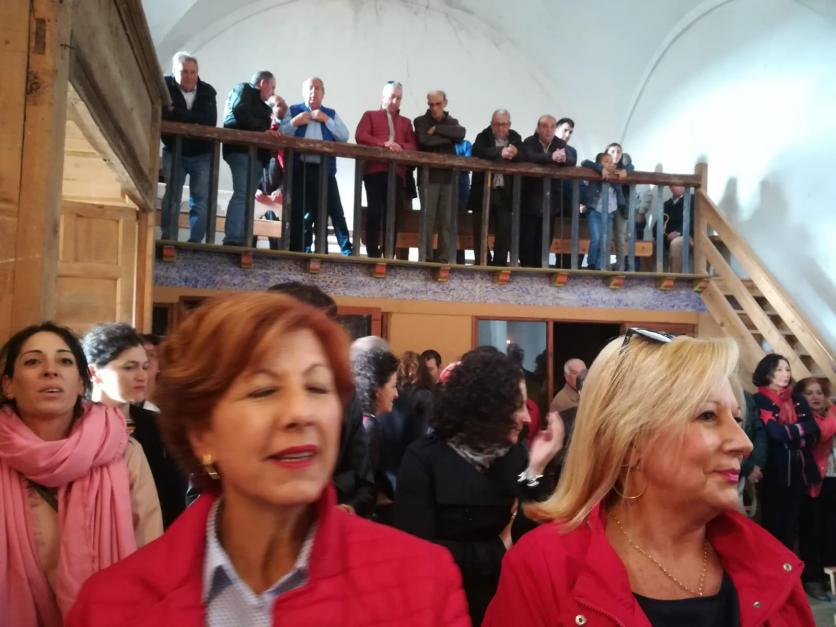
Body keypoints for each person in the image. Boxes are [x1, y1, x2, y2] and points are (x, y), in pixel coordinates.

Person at [67, 294, 469, 626]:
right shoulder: (111, 606)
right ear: (201, 430)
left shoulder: (421, 580)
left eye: (317, 388)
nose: (301, 413)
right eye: (263, 391)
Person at [484, 331, 816, 626]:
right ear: (630, 443)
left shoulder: (771, 565)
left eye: (737, 419)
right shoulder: (546, 568)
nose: (743, 443)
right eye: (708, 415)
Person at [0, 322, 161, 626]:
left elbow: (149, 552)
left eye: (64, 361)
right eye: (33, 362)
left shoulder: (121, 451)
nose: (50, 371)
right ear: (8, 384)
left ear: (80, 382)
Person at [395, 349, 563, 625]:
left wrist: (537, 468)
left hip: (505, 605)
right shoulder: (423, 458)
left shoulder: (514, 455)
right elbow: (417, 555)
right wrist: (499, 547)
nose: (527, 418)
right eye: (518, 406)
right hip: (444, 609)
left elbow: (533, 534)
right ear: (486, 407)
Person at [266, 281, 376, 518]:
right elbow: (206, 481)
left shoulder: (345, 397)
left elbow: (364, 483)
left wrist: (348, 508)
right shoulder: (237, 395)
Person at [83, 323, 187, 528]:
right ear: (94, 372)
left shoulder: (159, 425)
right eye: (129, 367)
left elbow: (173, 496)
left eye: (145, 367)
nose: (142, 376)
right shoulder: (73, 425)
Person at [752, 354, 820, 549]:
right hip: (773, 471)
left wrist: (788, 434)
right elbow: (775, 433)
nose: (785, 374)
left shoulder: (797, 399)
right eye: (779, 370)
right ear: (767, 373)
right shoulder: (759, 399)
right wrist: (797, 434)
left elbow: (814, 431)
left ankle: (792, 565)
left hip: (800, 472)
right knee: (773, 523)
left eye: (788, 369)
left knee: (794, 524)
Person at [280, 77, 352, 254]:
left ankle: (333, 250)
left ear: (323, 93)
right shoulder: (294, 110)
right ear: (304, 92)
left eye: (318, 88)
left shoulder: (330, 113)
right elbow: (281, 133)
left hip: (324, 170)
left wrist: (326, 119)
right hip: (300, 168)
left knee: (332, 209)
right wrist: (295, 122)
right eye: (310, 88)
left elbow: (344, 136)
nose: (314, 91)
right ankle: (297, 251)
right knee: (299, 211)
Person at [221, 70, 286, 246]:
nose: (273, 92)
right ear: (263, 83)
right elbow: (240, 112)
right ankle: (234, 239)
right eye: (272, 87)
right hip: (241, 150)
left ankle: (242, 238)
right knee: (243, 194)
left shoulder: (264, 107)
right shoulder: (244, 90)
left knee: (246, 196)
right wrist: (263, 132)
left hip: (255, 155)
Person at [355, 81, 417, 258]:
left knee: (393, 213)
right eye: (392, 97)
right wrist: (383, 144)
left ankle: (389, 252)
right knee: (374, 210)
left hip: (396, 173)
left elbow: (413, 145)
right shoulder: (370, 115)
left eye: (399, 98)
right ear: (383, 97)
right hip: (374, 171)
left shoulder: (406, 122)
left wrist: (400, 146)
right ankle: (372, 252)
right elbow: (361, 135)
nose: (395, 101)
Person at [160, 51, 217, 242]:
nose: (189, 76)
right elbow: (163, 116)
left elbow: (209, 121)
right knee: (172, 196)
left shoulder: (207, 91)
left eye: (193, 72)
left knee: (200, 199)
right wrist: (193, 119)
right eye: (184, 72)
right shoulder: (165, 87)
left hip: (202, 152)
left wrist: (177, 112)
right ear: (175, 72)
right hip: (174, 149)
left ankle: (195, 242)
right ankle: (169, 238)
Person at [794, 377, 836, 601]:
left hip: (832, 479)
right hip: (810, 481)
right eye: (809, 393)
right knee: (812, 530)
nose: (815, 397)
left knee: (832, 530)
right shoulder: (802, 418)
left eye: (819, 392)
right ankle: (812, 578)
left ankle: (830, 577)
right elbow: (821, 434)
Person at [413, 90, 466, 263]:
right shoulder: (420, 121)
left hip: (448, 178)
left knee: (446, 221)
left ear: (445, 103)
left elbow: (461, 134)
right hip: (428, 178)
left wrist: (437, 129)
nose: (434, 108)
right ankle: (425, 257)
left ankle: (444, 258)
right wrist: (449, 137)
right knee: (427, 221)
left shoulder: (453, 122)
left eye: (438, 104)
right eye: (431, 104)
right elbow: (424, 141)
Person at [351, 342, 399, 524]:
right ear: (377, 390)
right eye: (393, 386)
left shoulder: (359, 419)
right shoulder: (371, 427)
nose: (396, 394)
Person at [469, 109, 523, 266]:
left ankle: (499, 263)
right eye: (497, 124)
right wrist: (501, 152)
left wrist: (515, 153)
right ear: (491, 124)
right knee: (480, 228)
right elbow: (478, 150)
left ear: (509, 125)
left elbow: (523, 155)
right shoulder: (483, 136)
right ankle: (483, 261)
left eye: (504, 124)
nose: (500, 128)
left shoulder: (515, 137)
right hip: (483, 190)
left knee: (504, 229)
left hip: (505, 191)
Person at [519, 115, 574, 268]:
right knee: (527, 238)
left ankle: (539, 270)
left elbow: (571, 160)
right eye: (544, 126)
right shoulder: (529, 141)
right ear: (538, 128)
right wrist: (552, 157)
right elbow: (529, 156)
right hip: (531, 198)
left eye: (552, 127)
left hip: (551, 200)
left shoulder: (559, 143)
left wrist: (563, 159)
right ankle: (526, 269)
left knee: (544, 239)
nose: (549, 130)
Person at [581, 146, 630, 270]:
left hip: (609, 213)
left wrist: (624, 171)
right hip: (595, 211)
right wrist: (600, 168)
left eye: (611, 162)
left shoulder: (617, 173)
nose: (610, 163)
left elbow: (630, 167)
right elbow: (584, 162)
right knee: (596, 238)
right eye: (606, 161)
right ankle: (591, 263)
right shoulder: (596, 172)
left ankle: (600, 265)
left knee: (605, 240)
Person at [664, 184, 695, 273]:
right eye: (677, 184)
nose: (681, 186)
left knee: (676, 243)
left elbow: (694, 219)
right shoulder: (667, 204)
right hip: (668, 237)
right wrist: (665, 236)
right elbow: (658, 224)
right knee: (653, 245)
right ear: (670, 187)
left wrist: (678, 232)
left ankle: (676, 277)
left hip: (688, 235)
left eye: (682, 184)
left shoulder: (692, 199)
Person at [139, 333, 161, 412]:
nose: (146, 358)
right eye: (141, 354)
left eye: (151, 354)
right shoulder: (123, 405)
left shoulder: (170, 404)